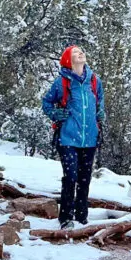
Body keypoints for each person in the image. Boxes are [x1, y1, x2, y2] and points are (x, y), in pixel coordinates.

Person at [42, 45, 105, 230]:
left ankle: (82, 217)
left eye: (81, 51)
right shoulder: (62, 82)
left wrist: (101, 113)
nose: (81, 53)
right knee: (70, 176)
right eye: (76, 52)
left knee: (85, 178)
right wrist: (56, 114)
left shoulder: (94, 81)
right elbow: (46, 102)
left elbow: (100, 101)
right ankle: (66, 217)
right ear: (69, 60)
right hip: (68, 137)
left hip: (90, 138)